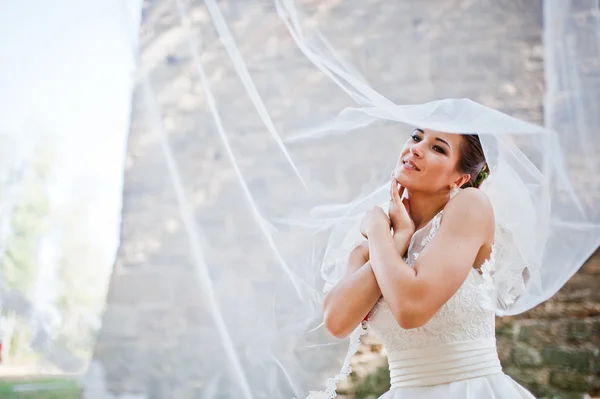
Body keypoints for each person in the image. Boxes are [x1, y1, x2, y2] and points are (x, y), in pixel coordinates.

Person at [322, 128, 535, 398]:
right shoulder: (371, 251)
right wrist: (397, 239)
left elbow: (411, 308)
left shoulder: (470, 205)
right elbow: (336, 322)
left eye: (438, 148)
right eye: (416, 137)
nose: (417, 148)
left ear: (460, 178)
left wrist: (377, 229)